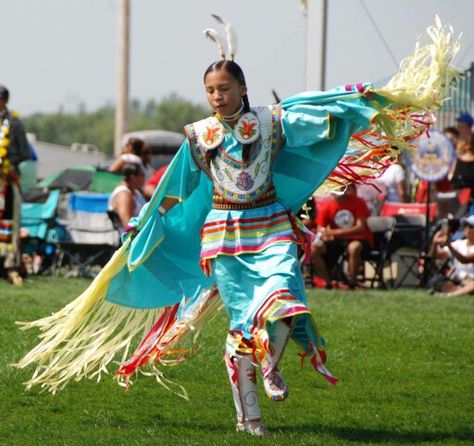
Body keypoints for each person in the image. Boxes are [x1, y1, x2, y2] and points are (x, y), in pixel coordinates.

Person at [17, 16, 460, 437]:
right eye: (210, 90)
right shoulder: (199, 137)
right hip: (224, 236)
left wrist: (357, 103)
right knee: (243, 326)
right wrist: (145, 220)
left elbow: (322, 121)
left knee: (287, 303)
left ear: (241, 88)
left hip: (271, 226)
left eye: (224, 88)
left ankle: (272, 364)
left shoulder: (272, 122)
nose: (216, 96)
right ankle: (248, 419)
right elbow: (173, 188)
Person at [312, 184, 373, 289]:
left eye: (340, 189)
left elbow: (360, 227)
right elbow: (320, 228)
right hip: (337, 242)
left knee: (354, 247)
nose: (337, 193)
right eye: (334, 190)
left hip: (359, 239)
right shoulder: (327, 206)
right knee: (314, 250)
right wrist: (323, 234)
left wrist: (334, 232)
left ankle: (352, 283)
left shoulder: (358, 202)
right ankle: (328, 283)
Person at [0, 85, 30, 285]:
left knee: (10, 222)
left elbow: (24, 152)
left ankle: (10, 266)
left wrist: (8, 164)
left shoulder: (15, 122)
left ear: (4, 101)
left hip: (8, 181)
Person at [429, 215, 474, 296]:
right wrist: (435, 243)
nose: (466, 228)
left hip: (471, 280)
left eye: (470, 226)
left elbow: (464, 260)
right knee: (436, 280)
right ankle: (461, 292)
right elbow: (436, 255)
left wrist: (449, 245)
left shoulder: (454, 245)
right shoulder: (459, 243)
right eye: (465, 225)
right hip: (458, 280)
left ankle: (452, 294)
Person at [108, 163, 147, 230]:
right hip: (130, 238)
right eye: (142, 175)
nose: (144, 178)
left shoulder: (136, 192)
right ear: (133, 177)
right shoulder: (124, 195)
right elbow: (128, 225)